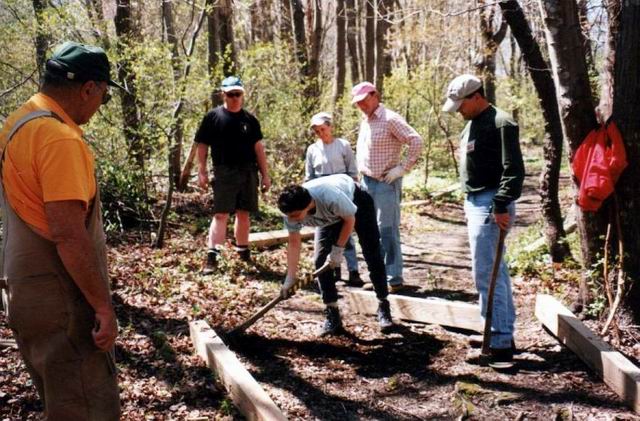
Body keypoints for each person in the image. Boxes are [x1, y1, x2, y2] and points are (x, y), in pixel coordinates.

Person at [0, 41, 121, 420]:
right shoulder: (59, 139)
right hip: (62, 298)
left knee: (62, 401)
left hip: (25, 290)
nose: (100, 106)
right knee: (86, 407)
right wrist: (102, 306)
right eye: (103, 95)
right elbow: (68, 234)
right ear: (89, 88)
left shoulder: (17, 122)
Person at [442, 74, 525, 367]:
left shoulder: (501, 122)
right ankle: (495, 330)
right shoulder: (472, 124)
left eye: (461, 104)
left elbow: (513, 168)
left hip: (491, 203)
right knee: (489, 270)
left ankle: (500, 342)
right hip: (475, 200)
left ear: (476, 96)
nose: (458, 110)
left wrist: (501, 203)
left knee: (487, 272)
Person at [278, 174, 394, 336]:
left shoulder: (329, 195)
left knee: (372, 252)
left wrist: (338, 250)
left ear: (308, 204)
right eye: (289, 216)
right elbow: (294, 243)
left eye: (296, 215)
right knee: (320, 261)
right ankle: (332, 314)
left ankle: (383, 304)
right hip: (329, 218)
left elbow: (349, 220)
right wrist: (290, 278)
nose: (292, 220)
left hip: (356, 202)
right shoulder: (291, 213)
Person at [351, 81, 423, 292]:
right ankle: (378, 276)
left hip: (385, 182)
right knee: (369, 231)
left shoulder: (390, 118)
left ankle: (394, 278)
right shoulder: (366, 120)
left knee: (387, 230)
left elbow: (415, 140)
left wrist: (403, 168)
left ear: (374, 96)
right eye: (358, 103)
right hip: (366, 182)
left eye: (364, 101)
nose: (362, 106)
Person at [195, 76, 271, 274]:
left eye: (238, 94)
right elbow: (202, 145)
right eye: (231, 94)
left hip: (248, 171)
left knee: (244, 213)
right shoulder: (212, 117)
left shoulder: (250, 120)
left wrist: (265, 175)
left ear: (243, 94)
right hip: (223, 171)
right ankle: (213, 256)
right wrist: (201, 171)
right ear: (223, 95)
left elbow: (258, 148)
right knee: (221, 214)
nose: (235, 98)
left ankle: (243, 250)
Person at [305, 112, 363, 287]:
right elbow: (309, 176)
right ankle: (331, 270)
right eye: (317, 131)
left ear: (330, 127)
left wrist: (352, 189)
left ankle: (353, 270)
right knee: (325, 233)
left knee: (346, 232)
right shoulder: (312, 149)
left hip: (342, 189)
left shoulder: (342, 145)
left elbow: (352, 171)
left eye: (323, 129)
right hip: (320, 193)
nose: (321, 133)